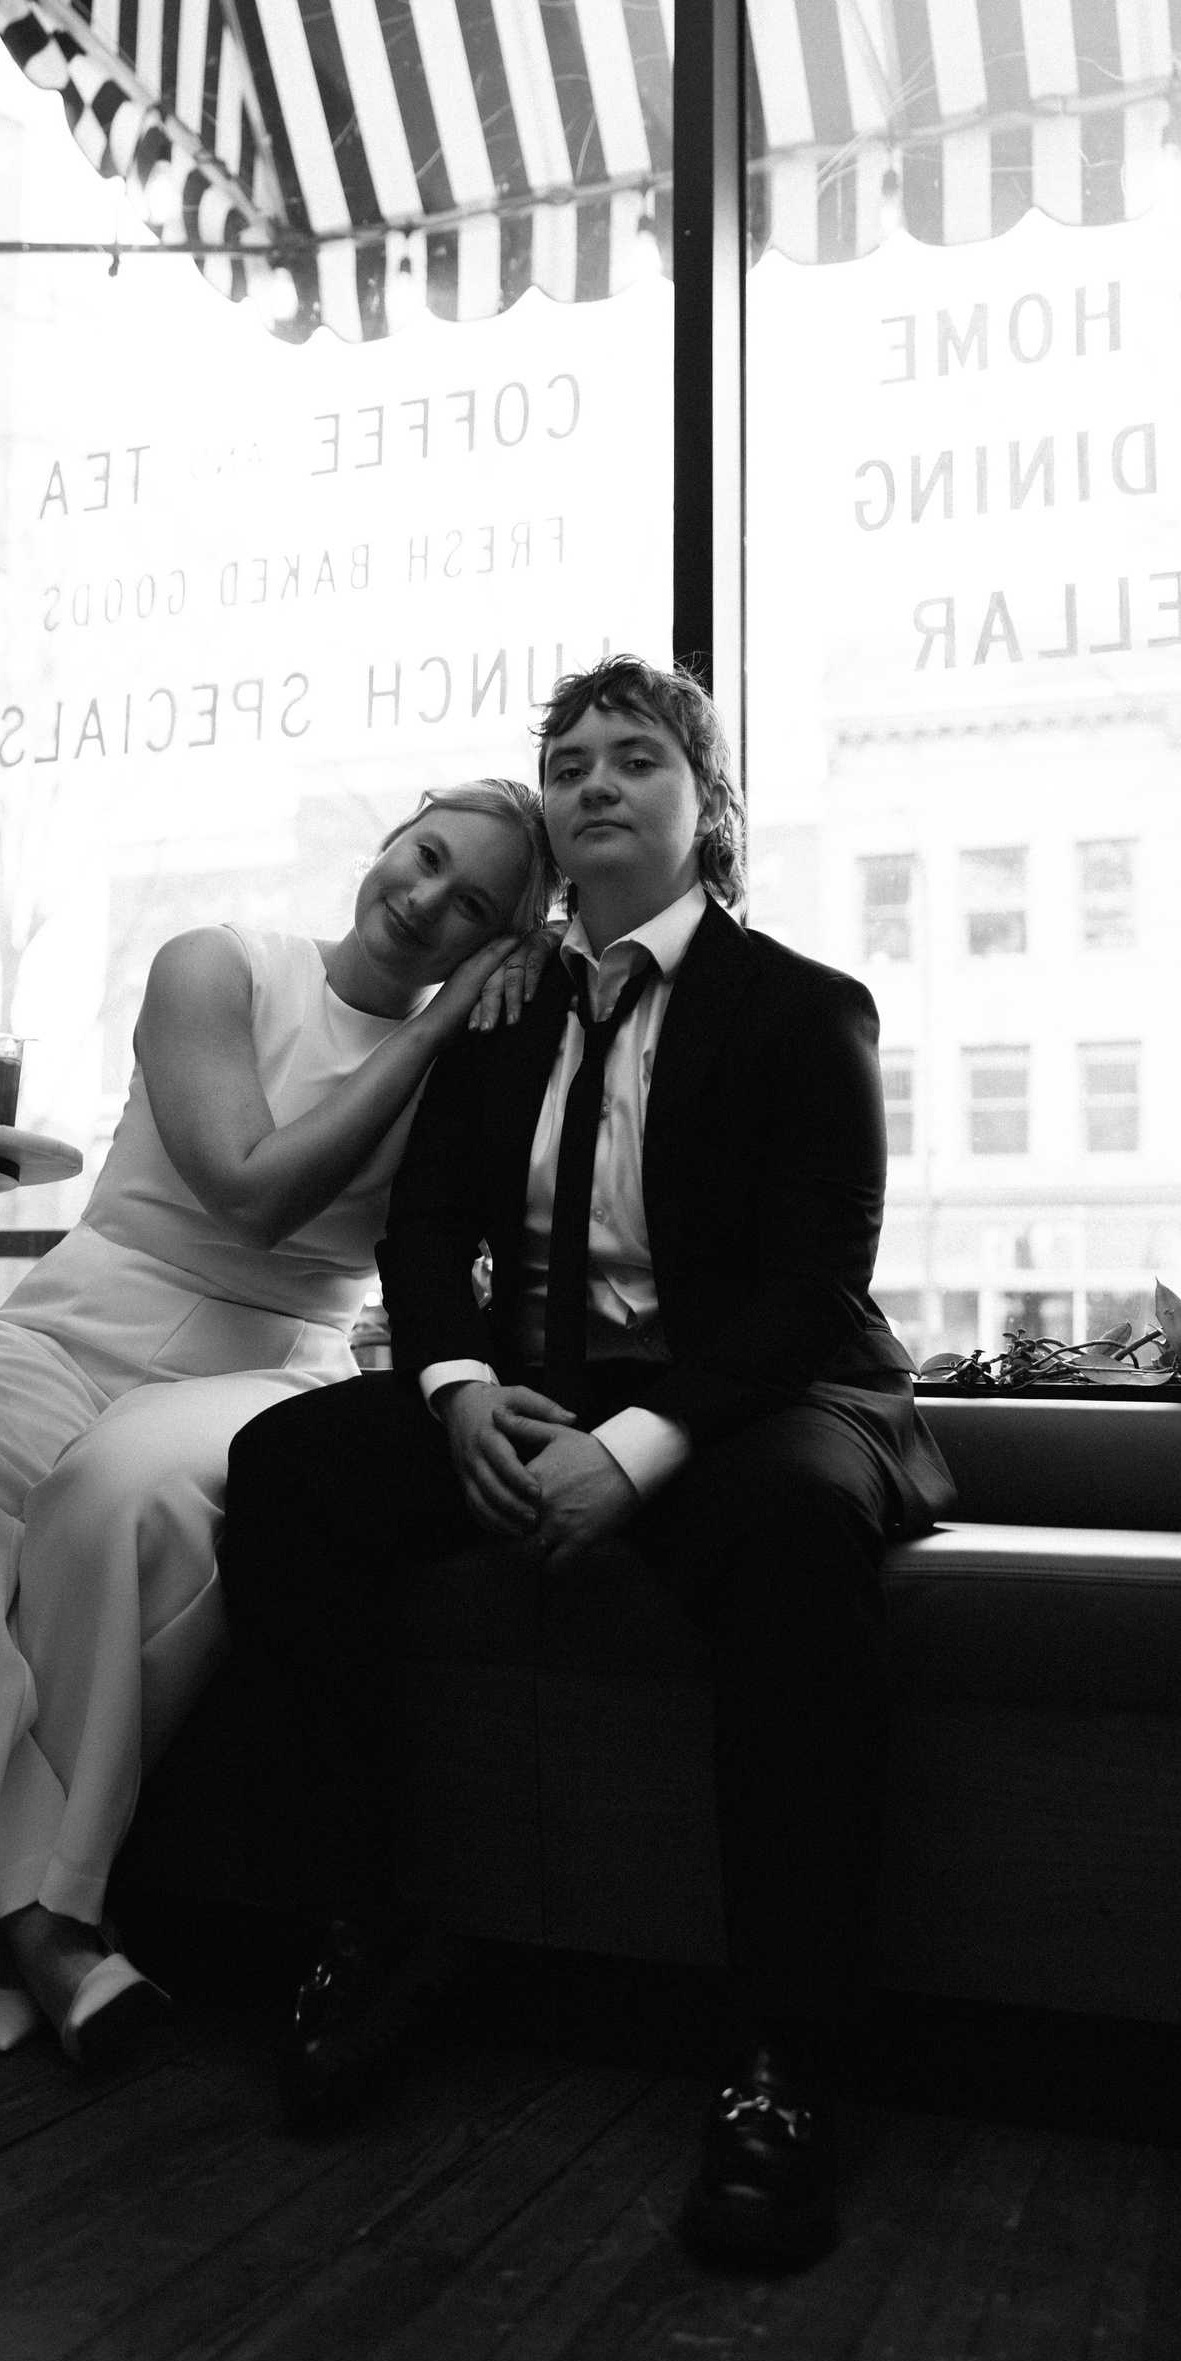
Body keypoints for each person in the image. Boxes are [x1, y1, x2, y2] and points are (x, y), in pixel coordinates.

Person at [219, 658, 953, 2265]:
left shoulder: (805, 1007)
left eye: (635, 759)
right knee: (289, 1467)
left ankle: (784, 2056)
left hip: (765, 1394)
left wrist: (634, 1452)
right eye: (569, 765)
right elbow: (425, 1232)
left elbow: (811, 1283)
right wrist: (458, 1391)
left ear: (711, 806)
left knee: (795, 1529)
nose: (595, 784)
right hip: (537, 1386)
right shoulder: (502, 1012)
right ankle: (360, 1927)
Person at [0, 778, 555, 2066]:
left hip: (269, 1360)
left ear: (496, 943)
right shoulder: (216, 966)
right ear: (389, 841)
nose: (425, 901)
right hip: (80, 1318)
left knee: (118, 1494)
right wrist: (438, 1025)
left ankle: (38, 1915)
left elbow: (440, 1238)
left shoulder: (470, 1066)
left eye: (473, 908)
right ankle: (23, 1919)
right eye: (425, 857)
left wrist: (472, 1025)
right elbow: (249, 1189)